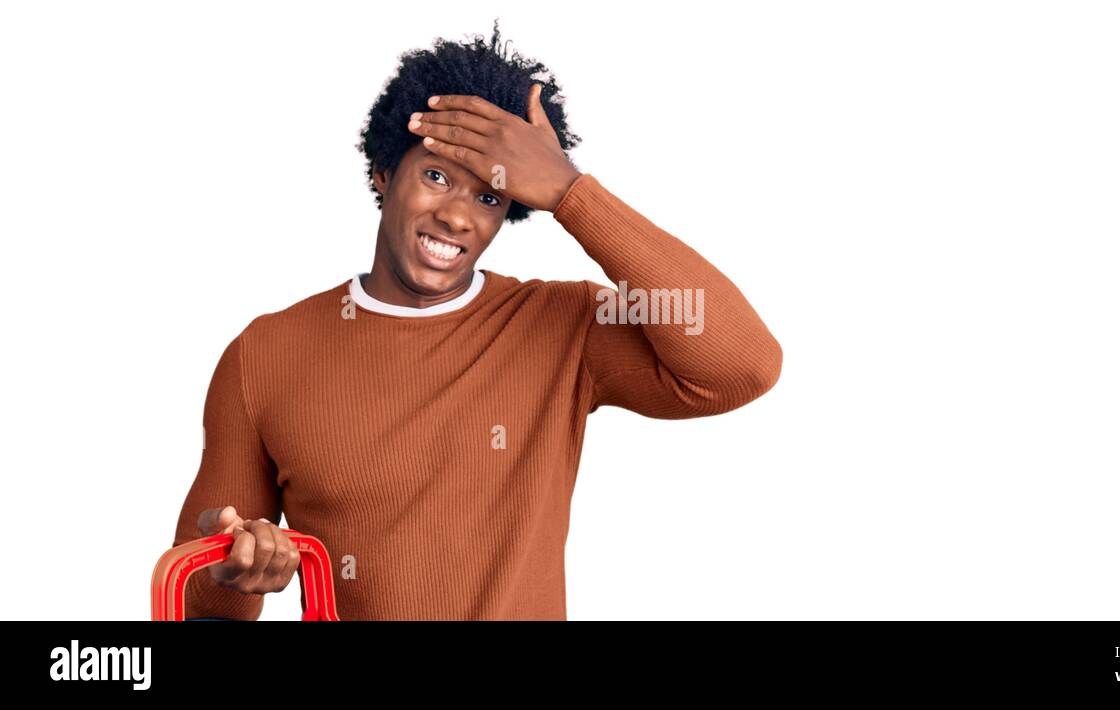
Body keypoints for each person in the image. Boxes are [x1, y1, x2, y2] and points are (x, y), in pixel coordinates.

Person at [170, 19, 781, 620]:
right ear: (383, 173)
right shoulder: (266, 353)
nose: (458, 218)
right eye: (436, 176)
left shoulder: (563, 325)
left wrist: (572, 193)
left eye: (489, 195)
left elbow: (740, 366)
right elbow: (201, 607)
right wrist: (238, 571)